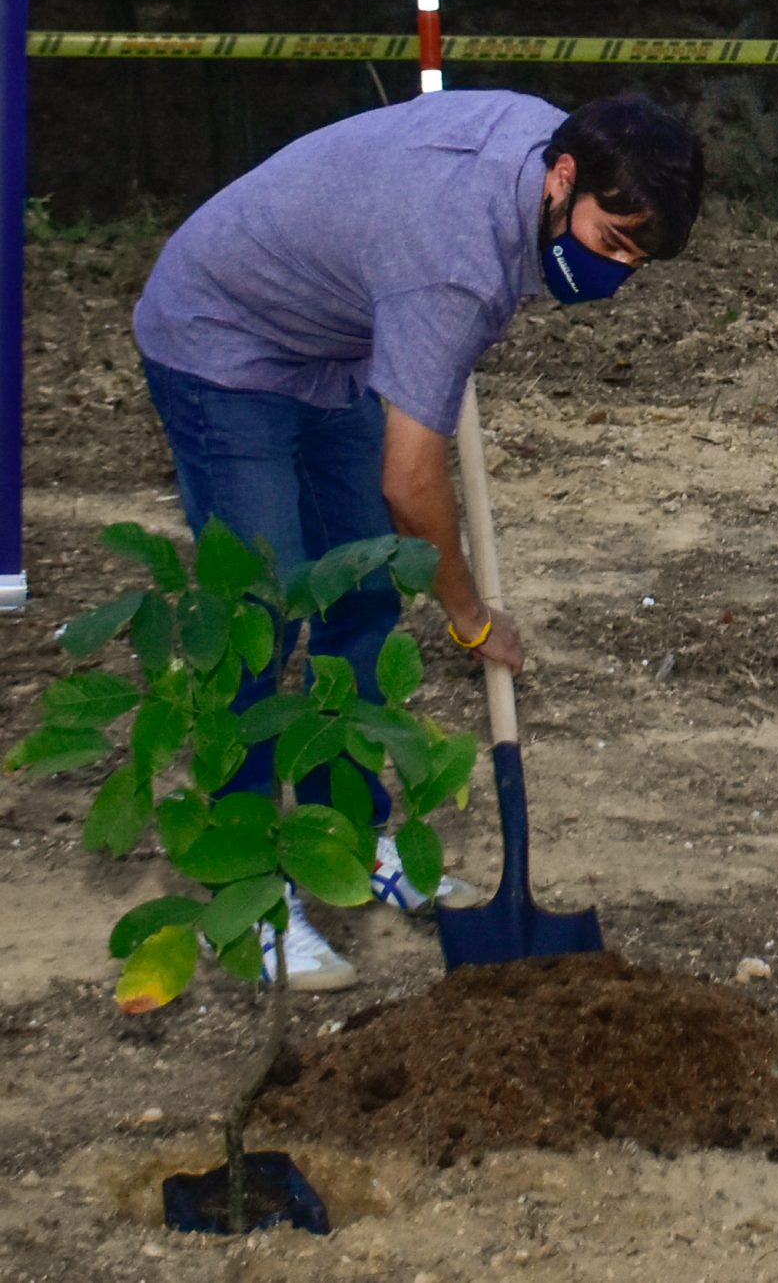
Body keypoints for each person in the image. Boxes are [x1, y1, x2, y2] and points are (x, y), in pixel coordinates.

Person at [132, 90, 704, 990]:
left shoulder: (553, 152)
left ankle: (346, 840)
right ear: (563, 178)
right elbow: (411, 482)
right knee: (257, 619)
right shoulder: (455, 266)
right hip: (222, 338)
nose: (617, 272)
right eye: (612, 243)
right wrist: (471, 616)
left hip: (335, 340)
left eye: (637, 257)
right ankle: (241, 895)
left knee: (362, 592)